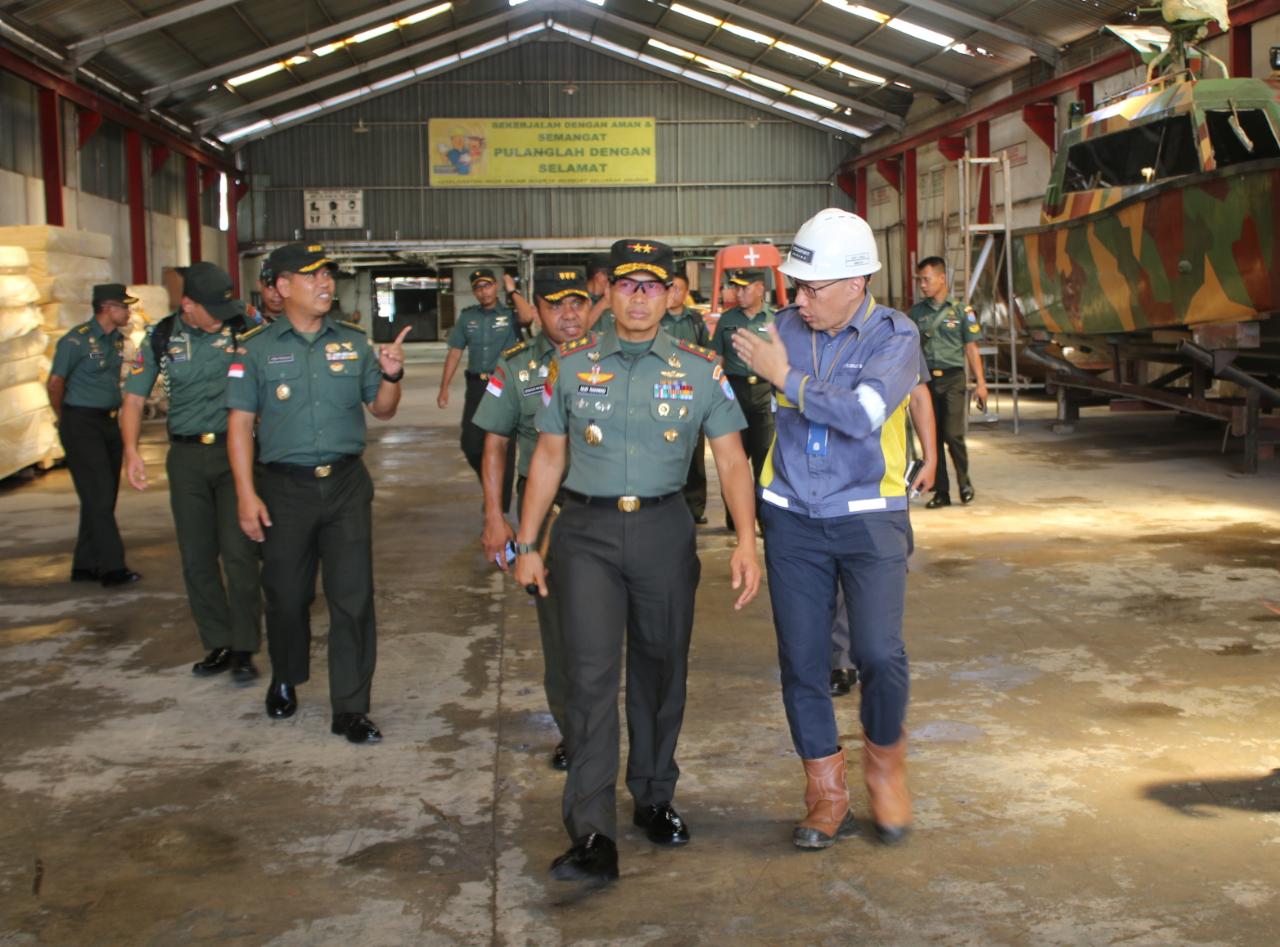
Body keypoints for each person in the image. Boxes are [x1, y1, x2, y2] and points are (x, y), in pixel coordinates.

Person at [514, 239, 762, 885]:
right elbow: (546, 458)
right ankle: (592, 830)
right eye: (626, 285)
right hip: (587, 532)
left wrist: (746, 538)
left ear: (671, 293)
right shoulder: (570, 366)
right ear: (608, 292)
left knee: (659, 668)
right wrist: (528, 541)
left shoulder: (700, 369)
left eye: (653, 286)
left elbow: (732, 459)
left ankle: (653, 795)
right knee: (590, 678)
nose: (639, 297)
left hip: (663, 528)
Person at [731, 208, 920, 851]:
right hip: (792, 519)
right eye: (797, 287)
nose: (799, 300)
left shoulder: (895, 337)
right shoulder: (780, 327)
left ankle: (885, 771)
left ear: (856, 283)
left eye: (812, 289)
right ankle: (826, 795)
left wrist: (785, 379)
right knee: (803, 660)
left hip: (868, 519)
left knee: (878, 654)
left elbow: (864, 414)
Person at [226, 243, 411, 744]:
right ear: (282, 287)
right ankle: (286, 675)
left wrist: (392, 374)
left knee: (352, 597)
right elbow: (240, 425)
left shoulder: (352, 343)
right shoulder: (256, 350)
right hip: (284, 488)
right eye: (311, 276)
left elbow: (384, 409)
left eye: (327, 274)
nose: (325, 283)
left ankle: (350, 706)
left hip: (347, 484)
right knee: (286, 596)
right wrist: (246, 494)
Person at [120, 262, 261, 684]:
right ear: (188, 304)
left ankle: (245, 647)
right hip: (184, 459)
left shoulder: (243, 330)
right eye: (211, 307)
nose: (221, 313)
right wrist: (130, 450)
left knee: (239, 555)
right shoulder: (161, 337)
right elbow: (132, 398)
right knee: (197, 557)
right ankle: (217, 640)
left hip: (234, 453)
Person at [474, 267, 590, 771]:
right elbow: (496, 444)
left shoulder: (612, 354)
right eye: (557, 304)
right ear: (535, 309)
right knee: (560, 626)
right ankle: (575, 729)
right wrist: (496, 516)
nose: (569, 314)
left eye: (578, 302)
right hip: (545, 511)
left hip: (604, 504)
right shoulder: (517, 365)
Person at [830, 364, 936, 697]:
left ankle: (875, 652)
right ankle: (841, 658)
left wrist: (931, 458)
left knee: (885, 566)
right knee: (836, 570)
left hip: (885, 485)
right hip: (828, 477)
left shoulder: (898, 333)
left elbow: (918, 395)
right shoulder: (807, 330)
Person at [47, 283, 140, 588]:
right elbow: (55, 383)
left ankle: (84, 565)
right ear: (108, 308)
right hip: (81, 422)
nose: (129, 312)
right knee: (99, 495)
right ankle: (112, 567)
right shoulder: (75, 341)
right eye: (124, 307)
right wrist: (66, 419)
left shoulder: (115, 341)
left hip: (107, 423)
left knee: (101, 495)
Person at [437, 269, 519, 514]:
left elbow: (529, 317)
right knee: (471, 444)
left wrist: (513, 291)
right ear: (474, 292)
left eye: (488, 286)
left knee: (505, 446)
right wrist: (444, 388)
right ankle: (490, 482)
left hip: (504, 386)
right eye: (478, 288)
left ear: (496, 287)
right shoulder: (467, 318)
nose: (484, 292)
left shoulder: (511, 315)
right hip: (476, 385)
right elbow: (454, 352)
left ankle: (500, 506)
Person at [910, 256, 987, 509]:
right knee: (933, 438)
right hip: (927, 382)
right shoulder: (917, 313)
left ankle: (964, 482)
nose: (922, 285)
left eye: (926, 279)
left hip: (953, 379)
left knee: (953, 434)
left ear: (942, 278)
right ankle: (941, 491)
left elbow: (971, 348)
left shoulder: (961, 311)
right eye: (919, 280)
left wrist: (981, 382)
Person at [709, 269, 774, 531]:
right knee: (734, 459)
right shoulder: (726, 320)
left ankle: (764, 518)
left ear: (760, 288)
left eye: (744, 288)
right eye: (736, 288)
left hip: (764, 393)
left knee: (765, 460)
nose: (739, 292)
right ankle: (735, 518)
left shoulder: (775, 320)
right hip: (732, 393)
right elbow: (717, 359)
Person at [660, 273, 710, 524]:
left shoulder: (696, 319)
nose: (672, 294)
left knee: (695, 454)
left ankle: (695, 507)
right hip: (662, 393)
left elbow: (706, 355)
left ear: (686, 292)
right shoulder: (657, 319)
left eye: (677, 289)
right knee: (666, 450)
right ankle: (669, 503)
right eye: (669, 289)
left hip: (690, 394)